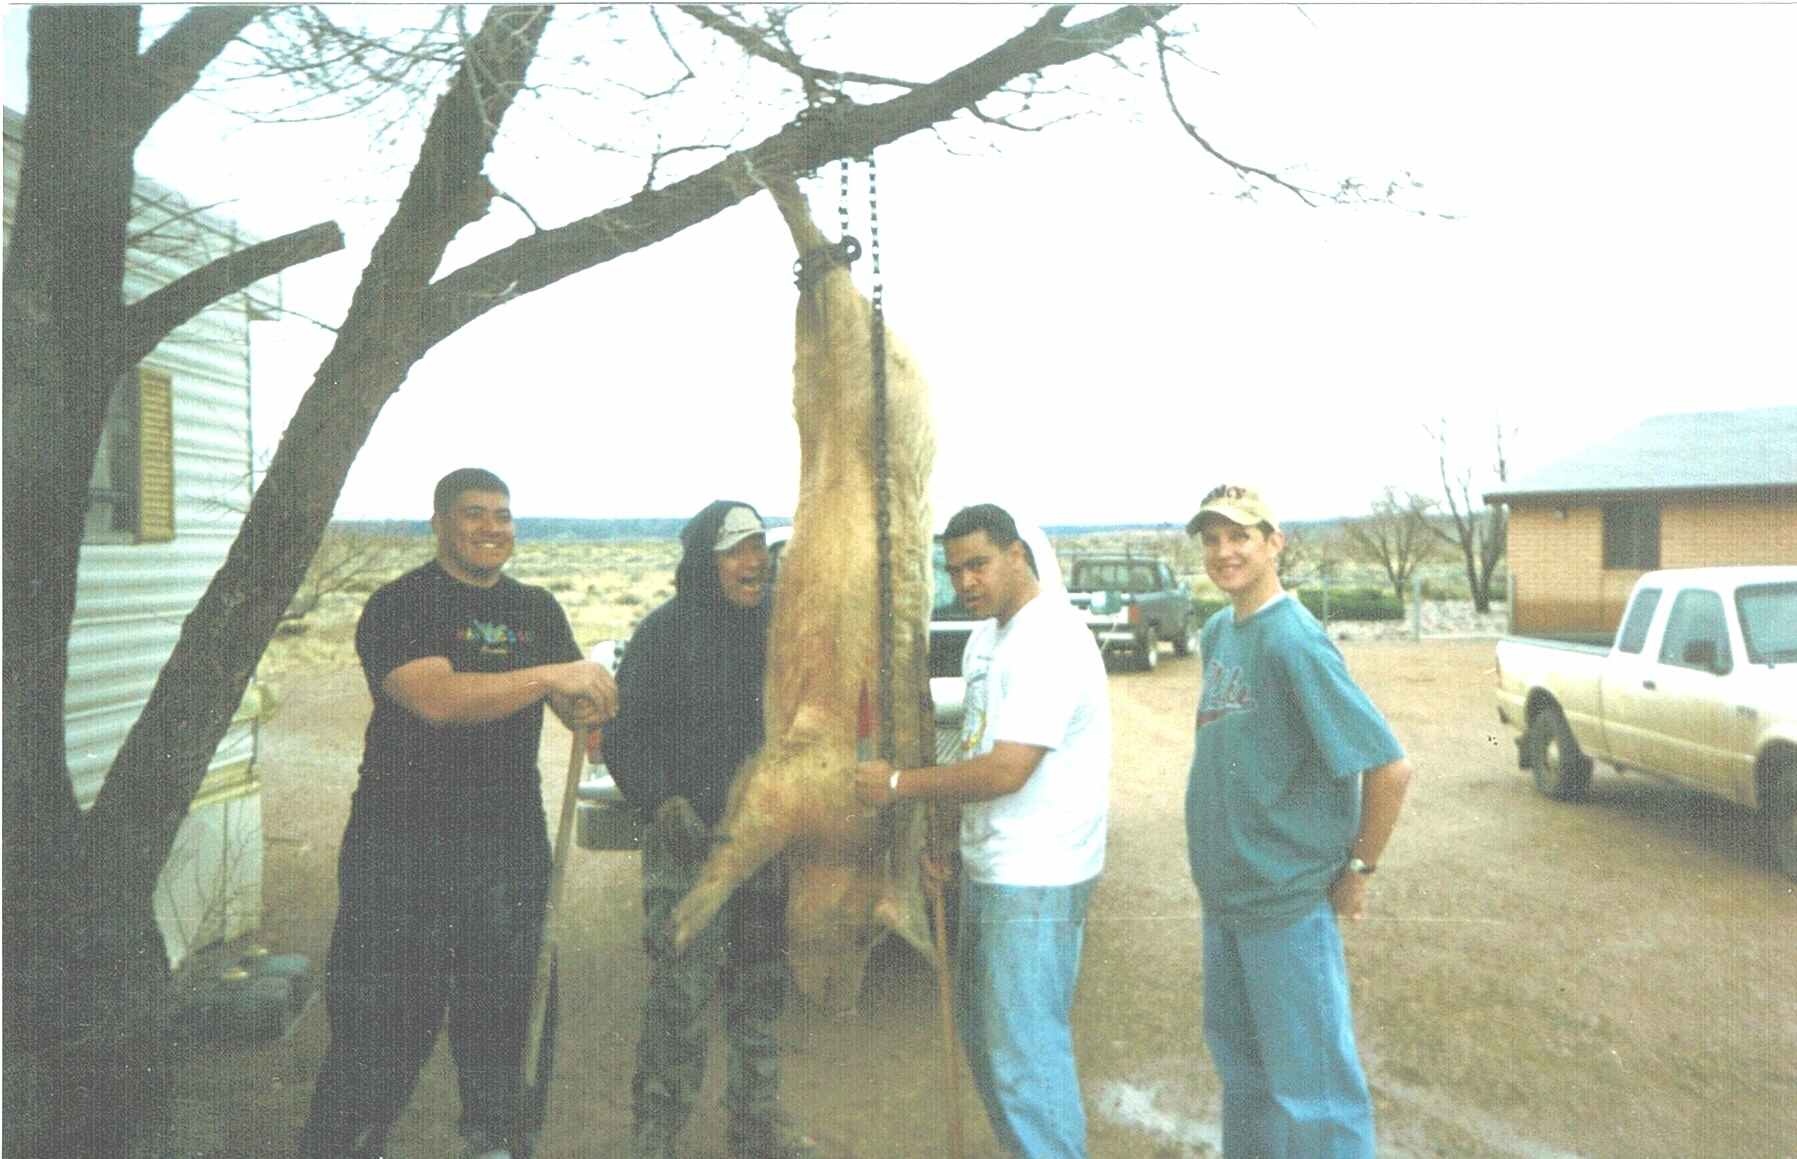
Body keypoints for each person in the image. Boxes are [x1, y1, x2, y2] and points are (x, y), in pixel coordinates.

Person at [298, 467, 617, 1159]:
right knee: (381, 1022)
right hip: (402, 844)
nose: (492, 528)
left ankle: (498, 1141)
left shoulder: (536, 608)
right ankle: (347, 1142)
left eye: (503, 515)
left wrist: (587, 701)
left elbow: (567, 706)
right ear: (438, 522)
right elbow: (437, 699)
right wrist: (549, 677)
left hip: (506, 846)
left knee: (508, 1017)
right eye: (474, 513)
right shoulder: (401, 603)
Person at [855, 502, 1110, 1158]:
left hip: (1038, 875)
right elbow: (969, 747)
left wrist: (894, 785)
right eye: (954, 569)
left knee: (1024, 1052)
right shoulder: (983, 639)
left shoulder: (1049, 637)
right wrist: (941, 840)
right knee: (987, 1041)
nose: (965, 581)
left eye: (979, 563)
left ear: (1018, 555)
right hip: (988, 865)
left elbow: (1004, 770)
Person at [1183, 483, 1415, 1158]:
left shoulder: (1294, 641)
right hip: (1226, 896)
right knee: (1244, 1076)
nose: (1223, 551)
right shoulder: (1218, 630)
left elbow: (1390, 768)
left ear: (1273, 543)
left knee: (1314, 1095)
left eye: (1240, 536)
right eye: (1211, 538)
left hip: (1283, 901)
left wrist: (1358, 869)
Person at [603, 500, 818, 1159]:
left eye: (758, 546)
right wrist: (659, 799)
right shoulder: (663, 634)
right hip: (689, 848)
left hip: (763, 847)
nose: (753, 561)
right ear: (705, 562)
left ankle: (754, 1126)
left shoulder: (780, 633)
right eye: (735, 550)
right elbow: (622, 733)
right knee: (680, 996)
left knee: (759, 989)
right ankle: (656, 1131)